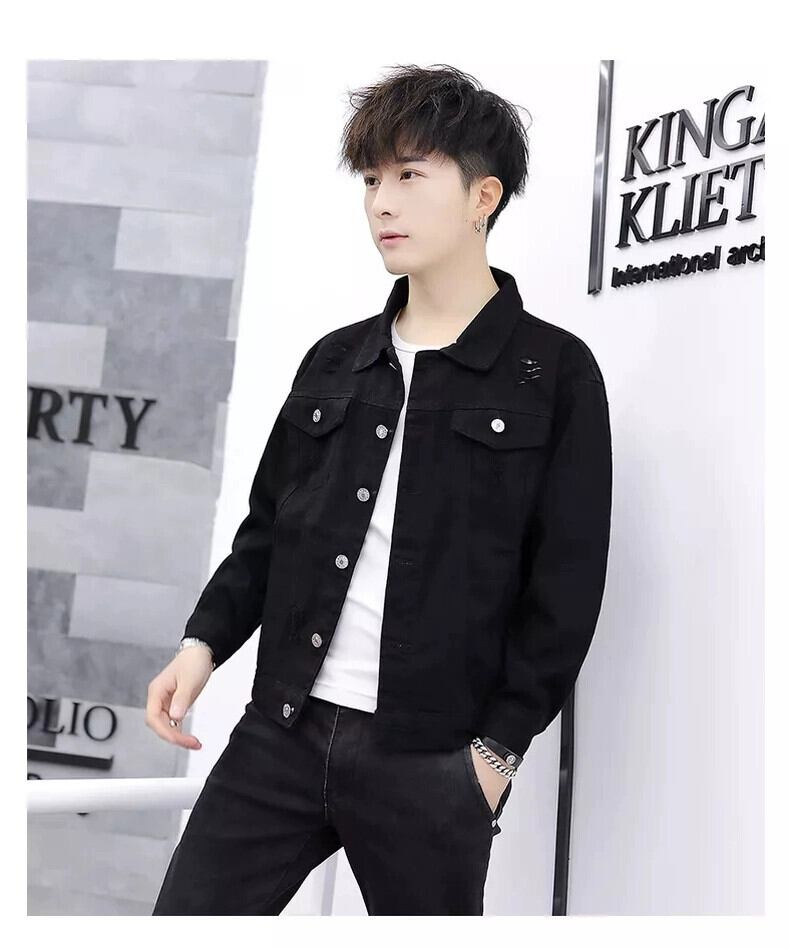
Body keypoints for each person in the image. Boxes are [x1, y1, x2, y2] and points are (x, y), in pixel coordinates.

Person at [148, 63, 612, 916]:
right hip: (280, 731)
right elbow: (268, 531)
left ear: (482, 197)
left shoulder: (553, 373)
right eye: (371, 180)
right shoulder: (336, 359)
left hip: (432, 761)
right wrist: (202, 642)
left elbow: (566, 588)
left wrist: (495, 756)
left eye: (409, 175)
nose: (381, 204)